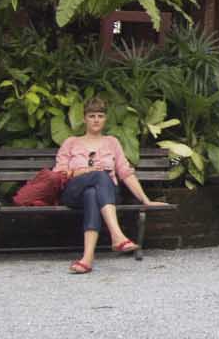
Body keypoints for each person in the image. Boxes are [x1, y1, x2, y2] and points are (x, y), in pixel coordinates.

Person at [54, 98, 160, 273]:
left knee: (92, 193)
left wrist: (146, 200)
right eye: (92, 116)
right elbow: (59, 173)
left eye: (100, 116)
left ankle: (87, 259)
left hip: (105, 195)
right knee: (98, 176)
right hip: (73, 192)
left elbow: (125, 172)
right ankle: (117, 235)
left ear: (105, 119)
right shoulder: (71, 142)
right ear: (84, 119)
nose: (96, 120)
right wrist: (81, 171)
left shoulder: (112, 142)